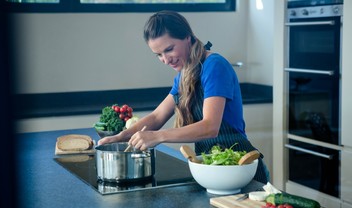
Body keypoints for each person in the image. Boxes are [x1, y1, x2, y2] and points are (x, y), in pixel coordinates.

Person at [98, 10, 269, 183]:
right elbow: (157, 116)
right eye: (158, 54)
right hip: (211, 167)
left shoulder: (214, 66)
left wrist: (158, 136)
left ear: (188, 37)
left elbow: (211, 127)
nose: (166, 60)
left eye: (169, 49)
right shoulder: (184, 75)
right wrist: (120, 137)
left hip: (240, 167)